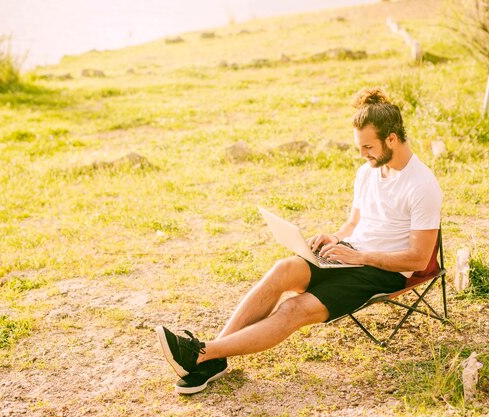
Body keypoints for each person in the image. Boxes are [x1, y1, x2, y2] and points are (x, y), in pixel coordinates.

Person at [155, 87, 442, 394]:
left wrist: (361, 257)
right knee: (284, 269)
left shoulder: (422, 184)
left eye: (368, 147)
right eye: (360, 147)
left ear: (392, 139)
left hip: (383, 271)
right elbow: (354, 222)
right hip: (349, 254)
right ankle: (213, 356)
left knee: (295, 309)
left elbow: (418, 258)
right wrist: (336, 238)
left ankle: (200, 354)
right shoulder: (368, 172)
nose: (363, 154)